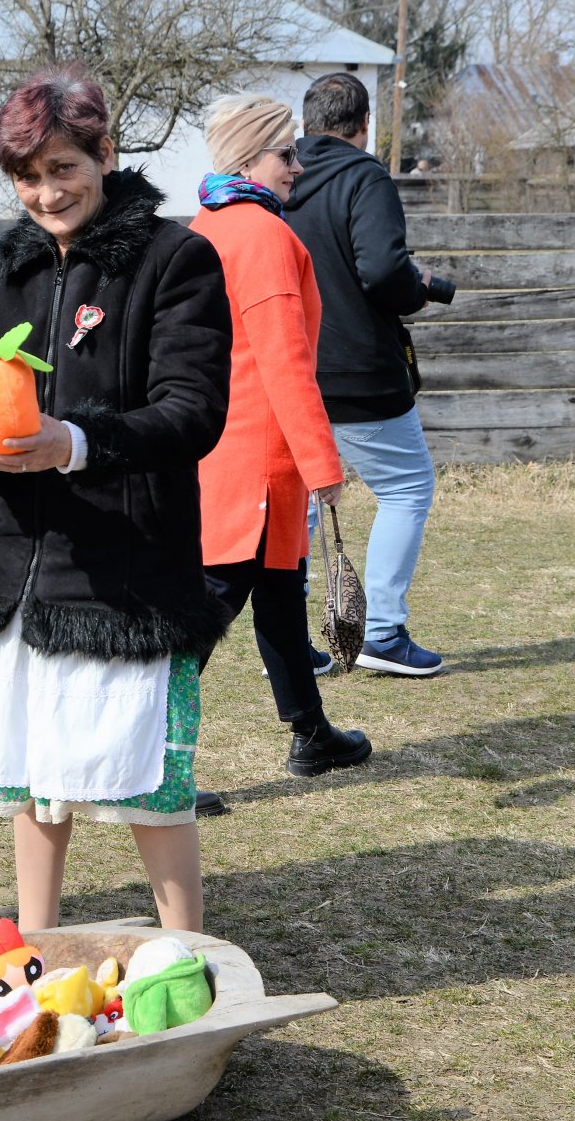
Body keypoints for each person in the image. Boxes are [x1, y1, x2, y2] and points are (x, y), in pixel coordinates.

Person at [0, 66, 232, 934]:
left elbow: (192, 411)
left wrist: (76, 442)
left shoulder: (176, 258)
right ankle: (40, 939)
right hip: (19, 561)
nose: (45, 192)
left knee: (148, 779)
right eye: (27, 176)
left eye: (63, 168)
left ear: (105, 153)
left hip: (129, 569)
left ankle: (186, 950)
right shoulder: (5, 260)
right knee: (34, 771)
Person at [189, 93, 373, 778]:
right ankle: (147, 757)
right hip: (259, 458)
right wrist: (323, 464)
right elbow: (285, 360)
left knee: (278, 592)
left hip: (222, 447)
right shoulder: (262, 235)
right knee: (210, 610)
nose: (298, 166)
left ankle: (311, 730)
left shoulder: (206, 224)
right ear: (247, 156)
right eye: (286, 153)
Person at [286, 72, 455, 676]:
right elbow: (385, 272)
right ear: (363, 127)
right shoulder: (365, 176)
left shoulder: (274, 179)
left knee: (301, 500)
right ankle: (382, 634)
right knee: (406, 488)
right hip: (361, 371)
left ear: (307, 123)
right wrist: (425, 287)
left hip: (292, 372)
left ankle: (289, 641)